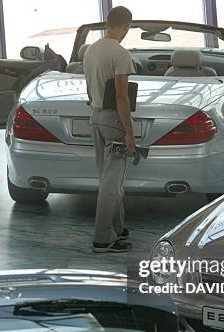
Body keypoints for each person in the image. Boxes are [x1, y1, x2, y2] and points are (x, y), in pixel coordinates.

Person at [83, 6, 135, 253]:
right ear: (126, 27)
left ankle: (118, 227)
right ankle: (103, 238)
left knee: (109, 179)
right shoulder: (121, 54)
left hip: (94, 117)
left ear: (107, 23)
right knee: (111, 183)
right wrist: (129, 132)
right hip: (113, 121)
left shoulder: (90, 50)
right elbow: (122, 97)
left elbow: (89, 90)